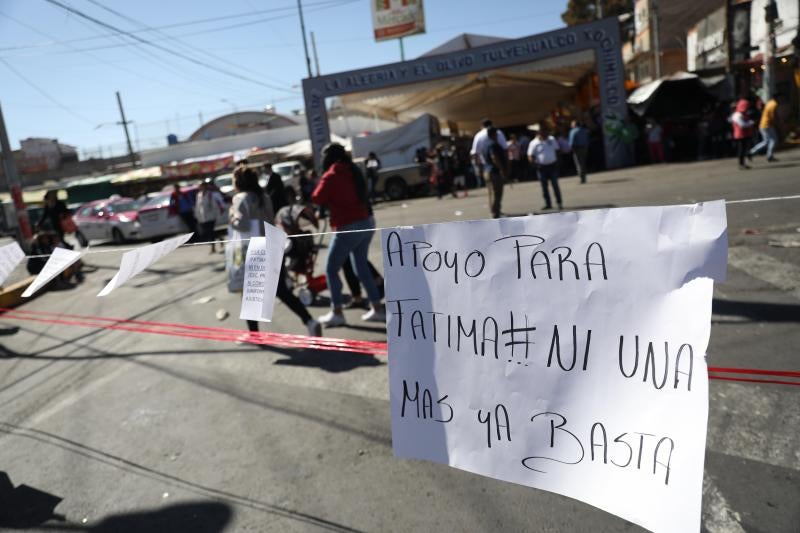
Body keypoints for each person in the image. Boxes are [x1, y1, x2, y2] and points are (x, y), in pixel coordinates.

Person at [228, 166, 321, 338]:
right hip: (272, 244)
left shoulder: (240, 199)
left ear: (239, 182)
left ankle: (254, 335)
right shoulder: (264, 197)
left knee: (251, 293)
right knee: (282, 291)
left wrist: (232, 215)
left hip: (255, 249)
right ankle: (309, 321)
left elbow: (241, 224)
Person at [311, 143, 385, 326]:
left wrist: (320, 179)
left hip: (347, 226)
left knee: (331, 269)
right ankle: (377, 307)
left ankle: (337, 312)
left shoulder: (331, 174)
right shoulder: (353, 169)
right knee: (361, 267)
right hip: (366, 222)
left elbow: (316, 198)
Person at [527, 126, 563, 211]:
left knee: (555, 185)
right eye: (544, 132)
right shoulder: (534, 143)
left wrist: (558, 162)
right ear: (539, 133)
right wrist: (534, 164)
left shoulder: (551, 139)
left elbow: (557, 150)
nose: (546, 134)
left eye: (547, 132)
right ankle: (548, 204)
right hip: (541, 167)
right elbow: (530, 155)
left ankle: (559, 202)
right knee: (544, 187)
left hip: (552, 166)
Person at [470, 118, 507, 188]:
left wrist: (478, 167)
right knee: (497, 191)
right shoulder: (498, 133)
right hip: (497, 166)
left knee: (491, 189)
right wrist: (504, 166)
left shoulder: (478, 135)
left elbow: (475, 153)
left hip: (485, 167)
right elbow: (504, 149)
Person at [194, 179, 225, 252]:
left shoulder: (210, 194)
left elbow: (214, 205)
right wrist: (197, 215)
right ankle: (220, 238)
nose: (202, 188)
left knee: (210, 231)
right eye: (201, 186)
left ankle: (213, 247)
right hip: (203, 217)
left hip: (211, 216)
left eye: (203, 186)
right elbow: (198, 206)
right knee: (208, 232)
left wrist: (216, 215)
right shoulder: (198, 195)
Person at [483, 127, 507, 219]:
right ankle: (495, 213)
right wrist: (501, 169)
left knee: (491, 193)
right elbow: (494, 157)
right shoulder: (493, 145)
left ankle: (495, 211)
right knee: (497, 193)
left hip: (487, 170)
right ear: (494, 134)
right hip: (494, 172)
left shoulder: (485, 145)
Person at [749, 93, 779, 162]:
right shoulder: (774, 104)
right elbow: (773, 116)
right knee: (773, 140)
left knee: (767, 141)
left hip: (763, 124)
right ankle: (769, 156)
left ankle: (752, 152)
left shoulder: (769, 103)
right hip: (768, 124)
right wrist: (777, 124)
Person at [730, 98, 755, 170]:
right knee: (741, 150)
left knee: (744, 149)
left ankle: (743, 163)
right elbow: (742, 125)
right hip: (740, 135)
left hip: (745, 134)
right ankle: (741, 164)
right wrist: (751, 123)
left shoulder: (743, 114)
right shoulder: (737, 115)